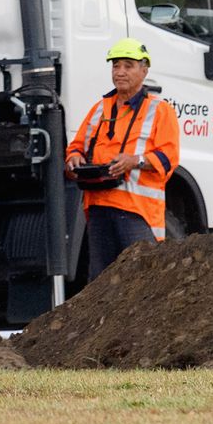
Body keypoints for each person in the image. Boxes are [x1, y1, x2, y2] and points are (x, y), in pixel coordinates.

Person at [65, 38, 181, 281]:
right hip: (98, 207)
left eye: (128, 65)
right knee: (101, 282)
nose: (120, 72)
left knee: (143, 280)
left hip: (136, 212)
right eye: (116, 66)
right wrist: (73, 159)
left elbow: (168, 158)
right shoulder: (100, 108)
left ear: (144, 70)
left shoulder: (160, 110)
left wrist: (134, 161)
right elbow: (76, 147)